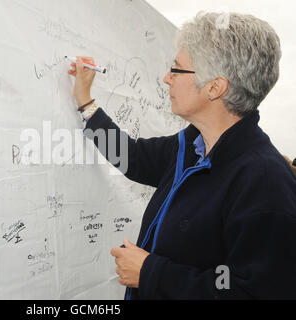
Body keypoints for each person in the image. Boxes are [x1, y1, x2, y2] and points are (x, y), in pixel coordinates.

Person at [69, 12, 296, 299]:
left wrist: (150, 272)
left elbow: (251, 291)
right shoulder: (190, 147)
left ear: (215, 87)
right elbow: (132, 157)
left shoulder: (263, 182)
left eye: (177, 70)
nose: (166, 78)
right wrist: (85, 102)